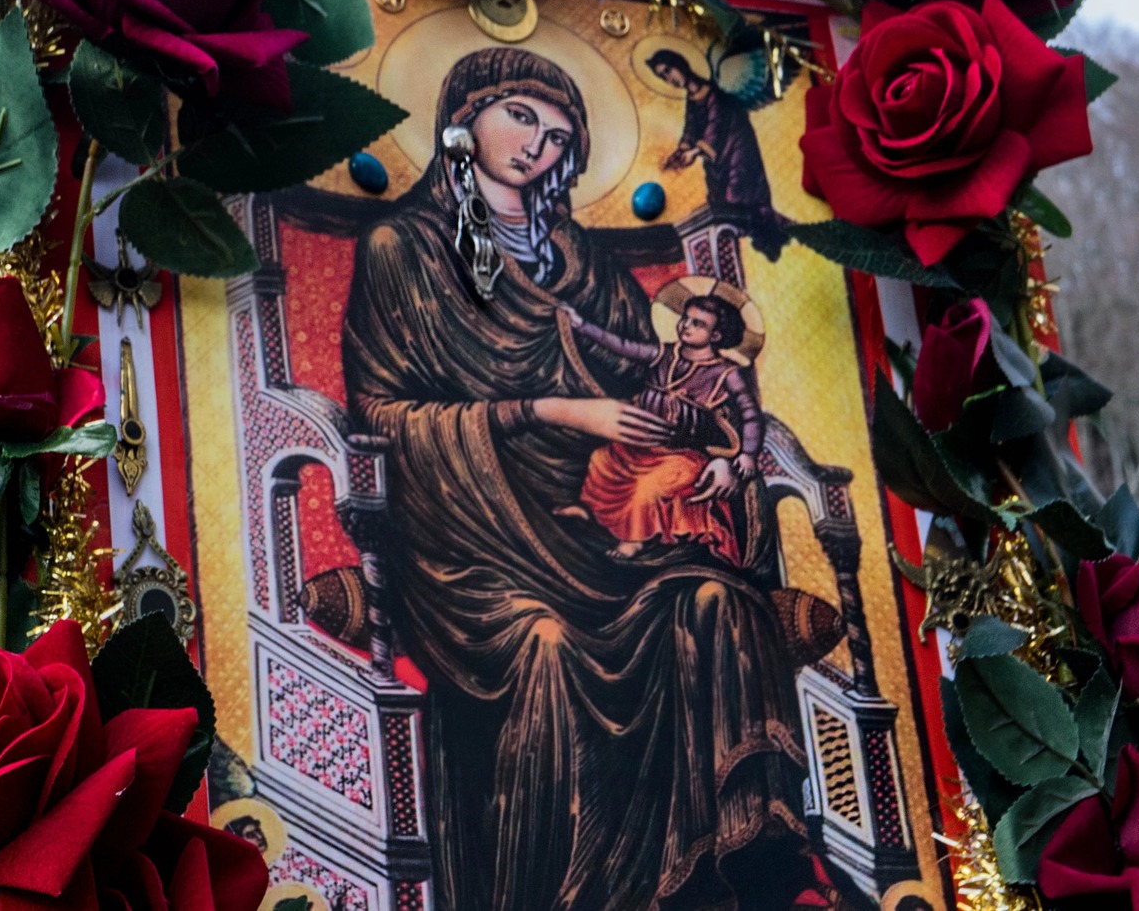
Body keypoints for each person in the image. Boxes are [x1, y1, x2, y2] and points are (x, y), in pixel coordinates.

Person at [341, 46, 822, 911]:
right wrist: (552, 412)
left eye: (561, 136)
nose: (541, 148)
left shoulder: (583, 261)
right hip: (474, 541)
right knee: (550, 649)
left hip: (605, 522)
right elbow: (380, 414)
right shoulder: (399, 249)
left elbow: (652, 383)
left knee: (719, 604)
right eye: (522, 117)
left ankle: (727, 881)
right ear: (464, 117)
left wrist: (717, 445)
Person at [554, 290, 763, 562]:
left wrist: (747, 453)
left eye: (697, 324)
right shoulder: (665, 353)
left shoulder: (726, 373)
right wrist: (582, 326)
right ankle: (589, 512)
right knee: (601, 460)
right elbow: (621, 345)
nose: (686, 326)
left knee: (647, 488)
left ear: (716, 336)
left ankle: (633, 541)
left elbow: (750, 413)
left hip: (684, 454)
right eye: (685, 319)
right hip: (642, 446)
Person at [648, 48, 793, 258]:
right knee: (722, 204)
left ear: (680, 64)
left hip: (738, 151)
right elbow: (691, 127)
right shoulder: (692, 97)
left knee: (738, 196)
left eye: (669, 71)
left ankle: (774, 230)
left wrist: (696, 151)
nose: (669, 79)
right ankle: (770, 230)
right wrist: (681, 151)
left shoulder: (714, 91)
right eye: (663, 76)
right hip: (717, 160)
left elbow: (716, 125)